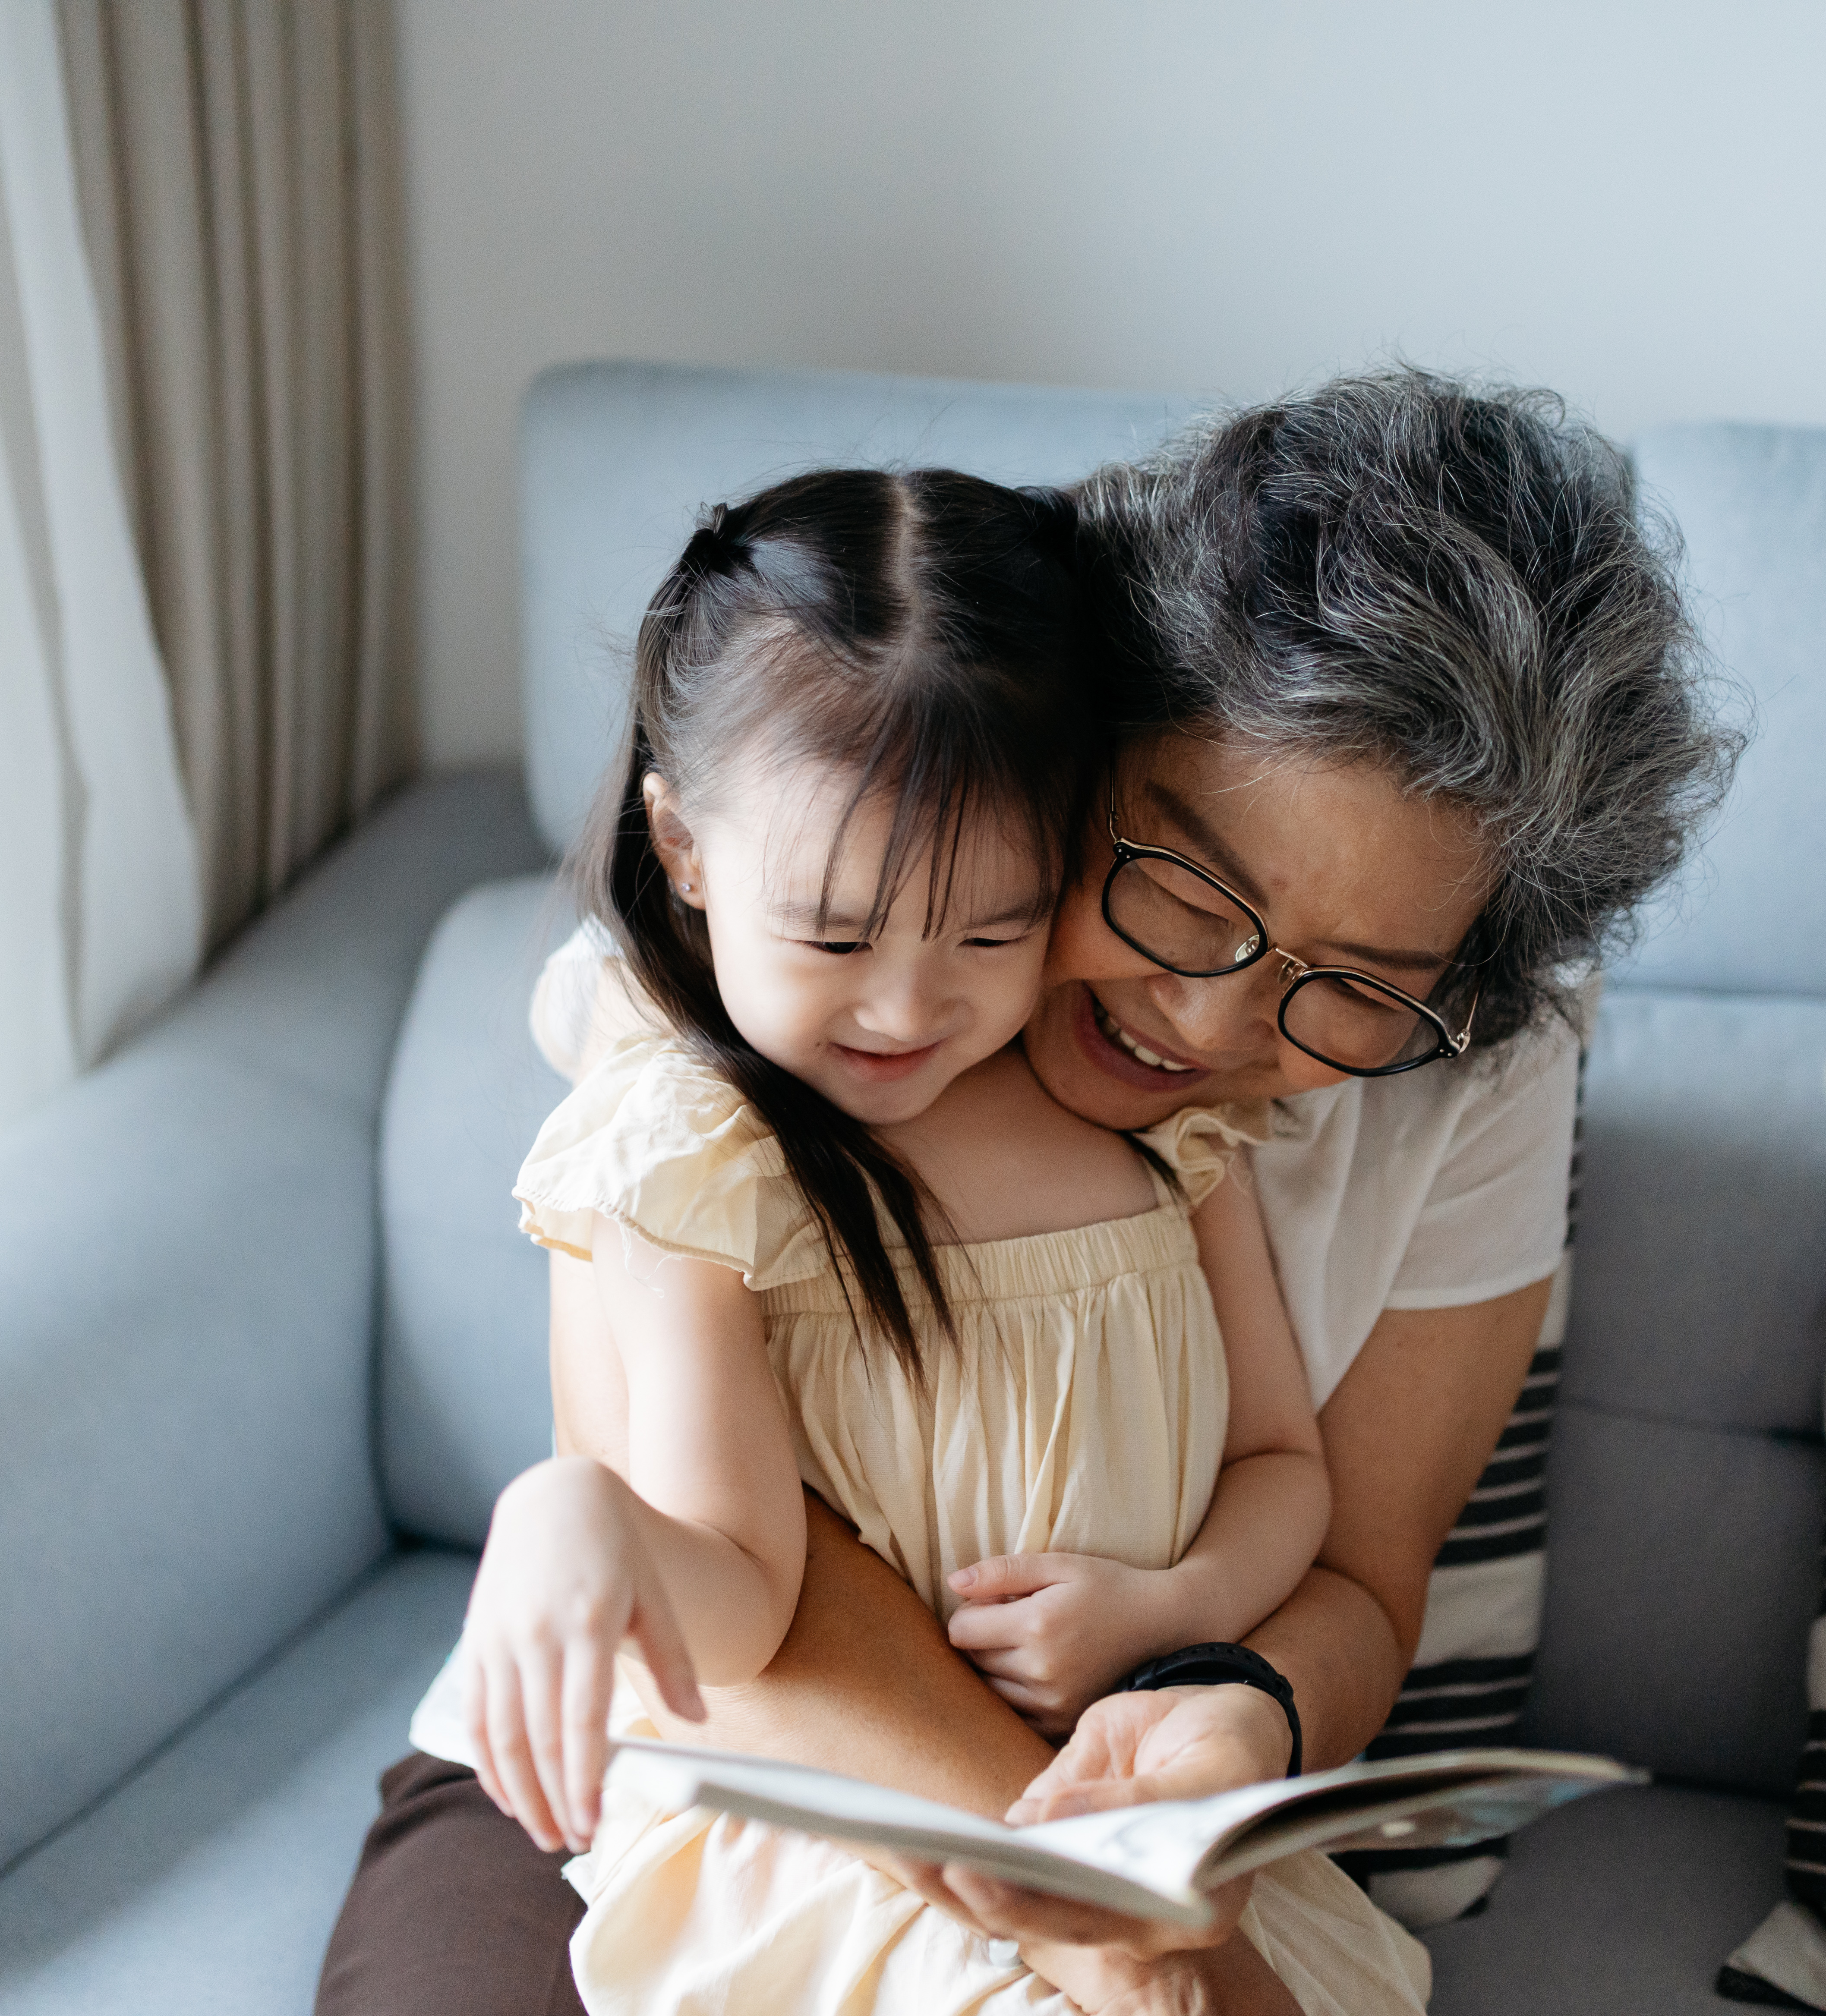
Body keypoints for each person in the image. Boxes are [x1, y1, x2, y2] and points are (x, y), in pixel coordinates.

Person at [316, 372, 1738, 2016]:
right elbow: (742, 1581)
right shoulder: (746, 996)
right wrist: (1083, 1916)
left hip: (1132, 1829)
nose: (1206, 1024)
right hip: (684, 1776)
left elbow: (1354, 1574)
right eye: (1183, 882)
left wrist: (1239, 1709)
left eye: (1357, 983)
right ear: (1069, 768)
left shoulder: (1462, 1069)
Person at [423, 462, 1432, 2016]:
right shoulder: (696, 1163)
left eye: (994, 930)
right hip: (838, 1848)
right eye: (834, 936)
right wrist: (578, 1521)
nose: (908, 1008)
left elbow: (1284, 1468)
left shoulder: (1167, 1126)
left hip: (1134, 1800)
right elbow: (750, 1598)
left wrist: (1178, 1615)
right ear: (684, 851)